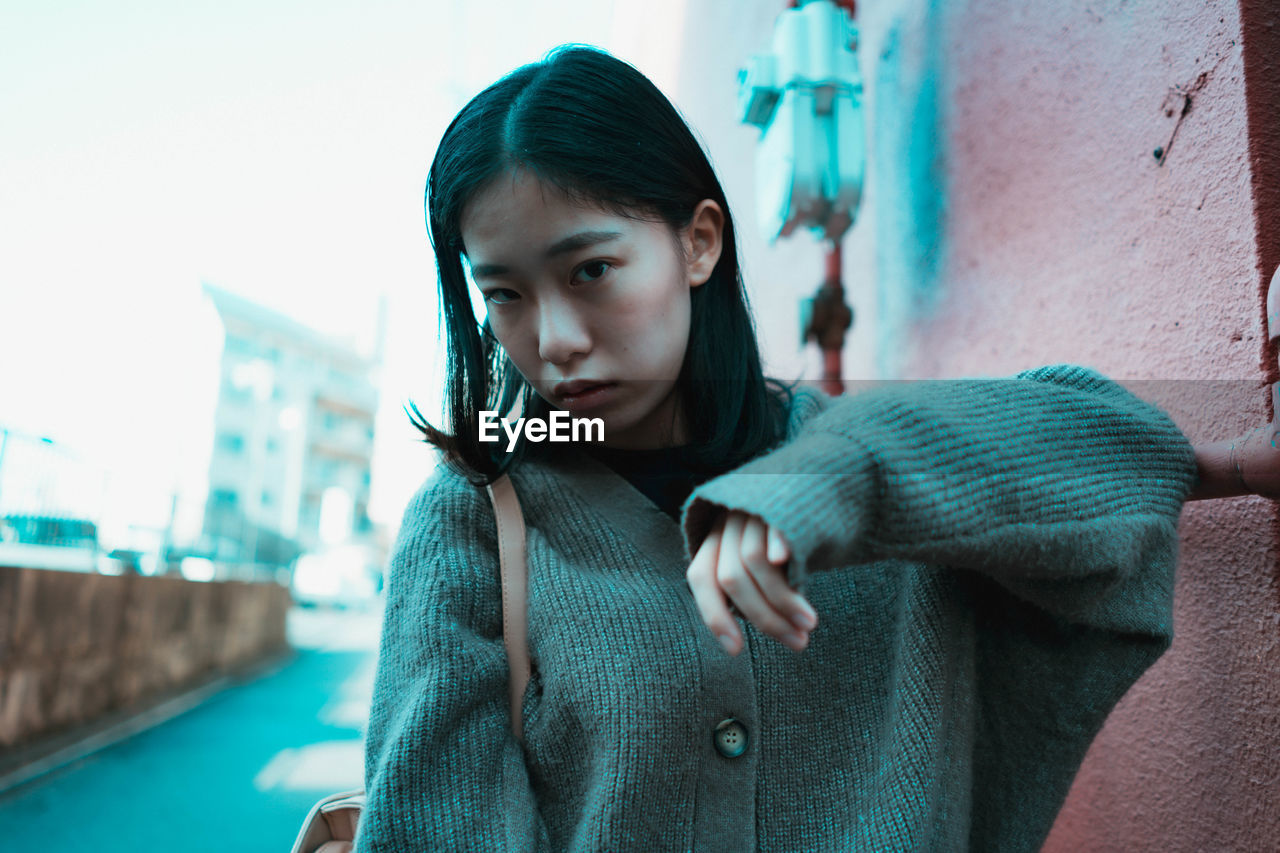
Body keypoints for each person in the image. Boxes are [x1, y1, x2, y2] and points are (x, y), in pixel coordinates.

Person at [353, 45, 1275, 852]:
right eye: (504, 294)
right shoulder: (475, 518)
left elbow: (1085, 443)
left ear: (698, 243)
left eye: (591, 270)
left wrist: (820, 485)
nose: (552, 337)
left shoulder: (866, 462)